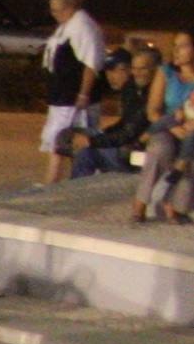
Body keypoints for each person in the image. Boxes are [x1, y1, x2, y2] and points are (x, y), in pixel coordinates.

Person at [40, 0, 106, 185]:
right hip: (61, 96)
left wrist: (83, 94)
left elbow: (90, 64)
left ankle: (55, 181)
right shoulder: (67, 26)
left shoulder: (83, 27)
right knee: (58, 141)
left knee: (66, 140)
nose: (54, 15)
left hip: (73, 97)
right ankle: (55, 181)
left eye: (57, 10)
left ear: (69, 8)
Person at [65, 47, 154, 178]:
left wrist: (92, 141)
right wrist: (101, 134)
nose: (110, 76)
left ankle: (75, 191)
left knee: (86, 150)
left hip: (140, 155)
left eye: (114, 70)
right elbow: (125, 123)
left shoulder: (150, 94)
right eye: (107, 72)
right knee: (69, 137)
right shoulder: (132, 89)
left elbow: (130, 132)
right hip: (131, 146)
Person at [138, 31, 194, 224]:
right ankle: (140, 204)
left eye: (183, 46)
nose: (176, 51)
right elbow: (152, 111)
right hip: (167, 127)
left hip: (191, 130)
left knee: (190, 153)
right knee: (159, 149)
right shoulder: (166, 72)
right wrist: (173, 127)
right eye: (175, 46)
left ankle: (177, 208)